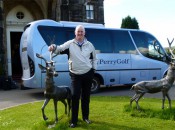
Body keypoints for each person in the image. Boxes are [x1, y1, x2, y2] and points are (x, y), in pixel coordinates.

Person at [48, 25, 97, 128]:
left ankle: (85, 118)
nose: (80, 33)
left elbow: (94, 59)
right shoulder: (70, 44)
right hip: (75, 75)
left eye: (81, 32)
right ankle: (74, 121)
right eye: (78, 32)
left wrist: (93, 70)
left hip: (88, 74)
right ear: (75, 33)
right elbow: (60, 48)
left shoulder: (90, 45)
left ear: (84, 33)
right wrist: (53, 47)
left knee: (86, 97)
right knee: (74, 96)